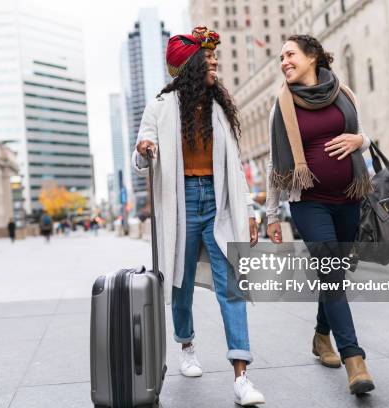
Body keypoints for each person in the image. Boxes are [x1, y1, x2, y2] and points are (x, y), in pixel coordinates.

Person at [132, 26, 265, 406]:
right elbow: (140, 160)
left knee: (232, 286)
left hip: (219, 202)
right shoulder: (160, 106)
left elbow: (235, 166)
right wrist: (144, 149)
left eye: (214, 59)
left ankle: (241, 376)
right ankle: (186, 344)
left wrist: (250, 211)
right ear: (188, 68)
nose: (215, 64)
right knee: (181, 282)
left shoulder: (219, 107)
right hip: (183, 202)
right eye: (207, 60)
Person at [265, 35, 375, 395]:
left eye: (290, 54)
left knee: (336, 274)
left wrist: (362, 141)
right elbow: (273, 163)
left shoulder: (344, 93)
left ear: (312, 57)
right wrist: (270, 215)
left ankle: (320, 336)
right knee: (330, 271)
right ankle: (354, 360)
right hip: (308, 202)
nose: (284, 61)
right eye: (281, 57)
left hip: (349, 197)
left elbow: (362, 136)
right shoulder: (282, 105)